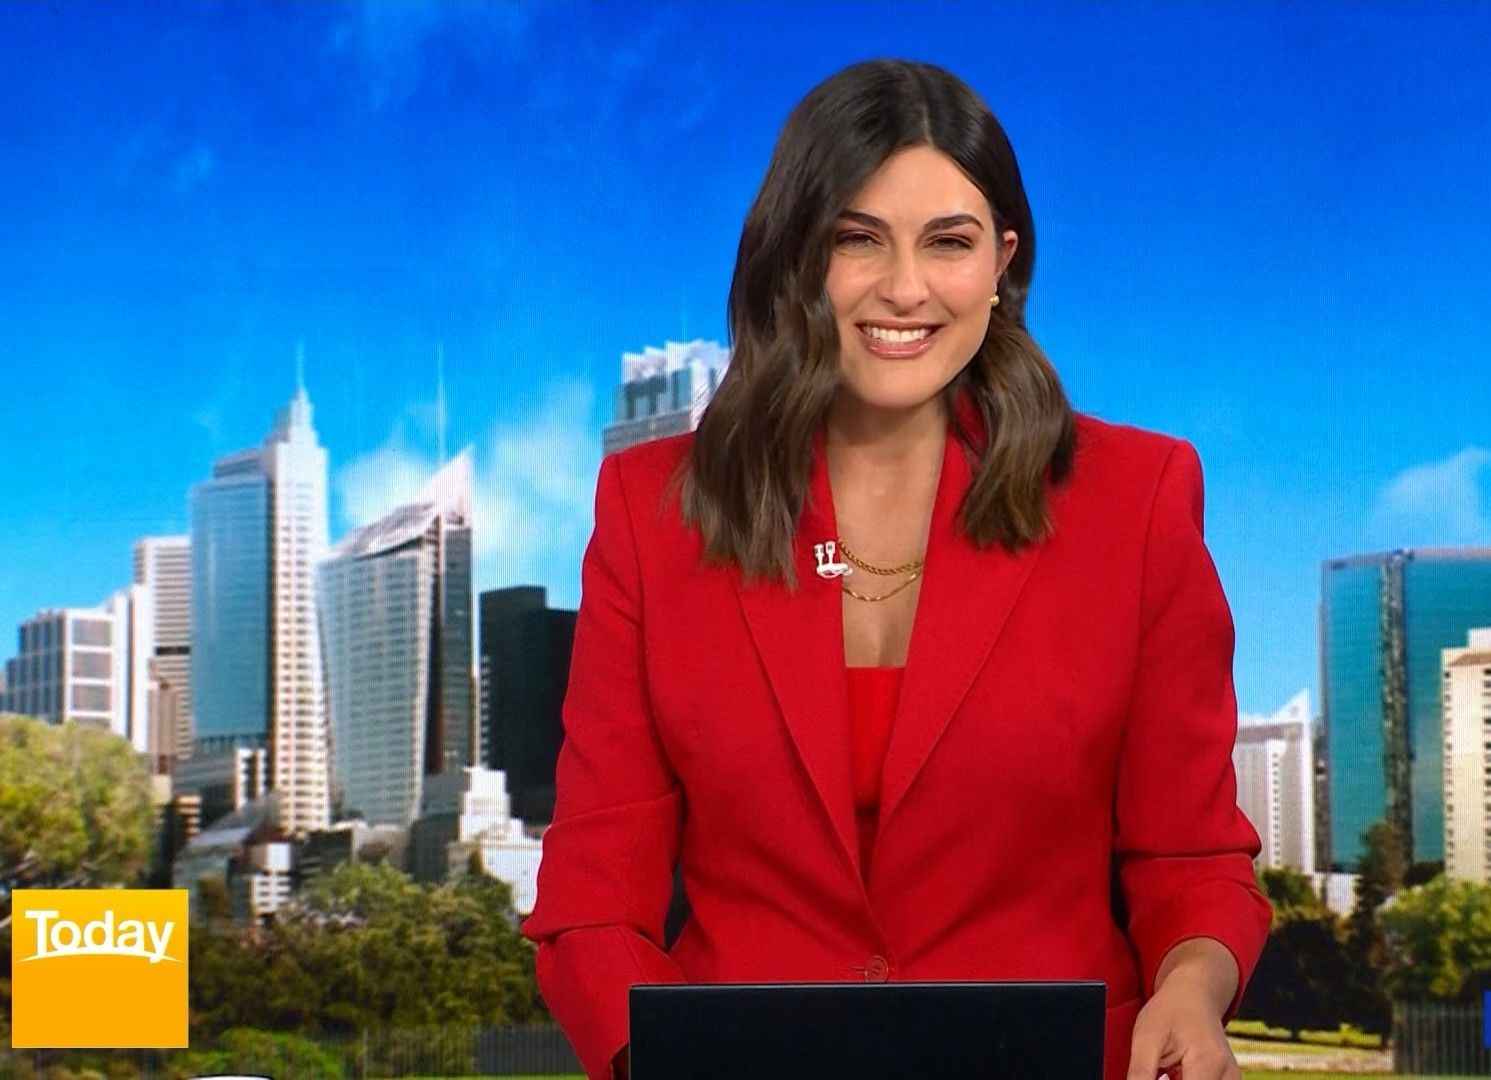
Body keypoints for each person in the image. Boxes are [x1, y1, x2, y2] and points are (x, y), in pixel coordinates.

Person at [521, 58, 1272, 1080]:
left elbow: (1189, 859)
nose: (905, 288)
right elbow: (592, 897)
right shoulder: (652, 510)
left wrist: (1191, 989)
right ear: (794, 258)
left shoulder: (1136, 499)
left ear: (1003, 262)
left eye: (948, 242)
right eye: (856, 239)